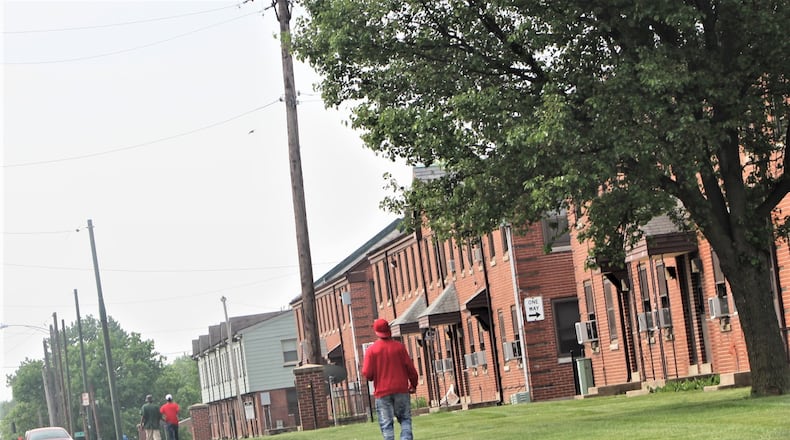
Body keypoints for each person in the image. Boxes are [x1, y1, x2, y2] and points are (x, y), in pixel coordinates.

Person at [362, 318, 419, 440]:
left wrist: (373, 375)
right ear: (389, 330)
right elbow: (411, 369)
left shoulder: (371, 350)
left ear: (376, 331)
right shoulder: (399, 347)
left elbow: (368, 373)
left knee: (386, 424)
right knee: (405, 419)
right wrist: (413, 385)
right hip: (401, 389)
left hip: (382, 392)